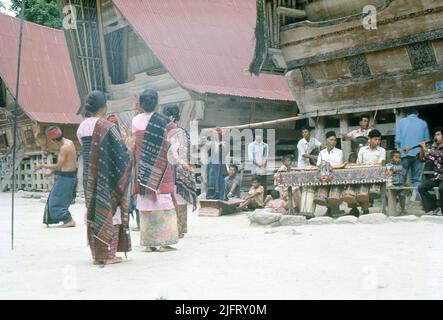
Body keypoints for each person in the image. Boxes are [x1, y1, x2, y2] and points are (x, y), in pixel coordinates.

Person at [77, 90, 132, 265]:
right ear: (105, 107)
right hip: (108, 176)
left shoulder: (82, 126)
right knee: (111, 212)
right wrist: (129, 148)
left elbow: (88, 150)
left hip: (89, 176)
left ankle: (96, 253)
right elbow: (121, 153)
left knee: (93, 209)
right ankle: (108, 254)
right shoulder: (108, 126)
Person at [132, 88, 179, 252]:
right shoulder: (166, 122)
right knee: (164, 204)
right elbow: (175, 146)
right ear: (157, 103)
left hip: (143, 169)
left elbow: (134, 144)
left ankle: (149, 244)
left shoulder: (135, 121)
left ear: (141, 104)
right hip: (162, 169)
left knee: (146, 204)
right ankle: (165, 242)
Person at [163, 105, 197, 239]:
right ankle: (180, 228)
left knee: (174, 197)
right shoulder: (184, 132)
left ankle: (175, 228)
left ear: (170, 117)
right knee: (179, 198)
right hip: (182, 168)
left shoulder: (167, 131)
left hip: (173, 168)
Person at [35, 126, 77, 228]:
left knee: (55, 201)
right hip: (69, 176)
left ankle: (69, 220)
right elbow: (64, 163)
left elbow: (58, 165)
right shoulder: (69, 142)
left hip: (66, 178)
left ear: (53, 139)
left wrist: (42, 165)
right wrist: (51, 171)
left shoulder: (63, 148)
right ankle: (67, 220)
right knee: (59, 199)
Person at [347, 129, 386, 216]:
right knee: (349, 184)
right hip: (362, 175)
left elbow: (380, 164)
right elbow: (359, 163)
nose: (378, 142)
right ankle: (354, 209)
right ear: (369, 139)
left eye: (379, 140)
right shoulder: (362, 150)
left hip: (376, 176)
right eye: (375, 139)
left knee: (365, 185)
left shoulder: (382, 150)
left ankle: (365, 209)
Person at [395, 108, 430, 200]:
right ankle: (417, 200)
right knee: (417, 179)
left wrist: (403, 146)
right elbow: (426, 141)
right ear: (417, 114)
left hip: (405, 154)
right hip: (419, 154)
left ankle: (402, 202)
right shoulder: (423, 123)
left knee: (401, 178)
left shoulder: (401, 122)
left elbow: (398, 140)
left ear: (407, 114)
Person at [417, 127, 443, 215]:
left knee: (442, 188)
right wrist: (421, 149)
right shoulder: (434, 149)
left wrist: (426, 149)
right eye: (435, 134)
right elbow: (423, 159)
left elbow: (439, 156)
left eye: (438, 134)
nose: (436, 136)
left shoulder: (436, 150)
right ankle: (435, 206)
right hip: (437, 177)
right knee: (421, 187)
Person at [205, 127, 229, 200]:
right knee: (211, 180)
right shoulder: (210, 143)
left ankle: (221, 196)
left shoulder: (224, 144)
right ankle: (210, 196)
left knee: (220, 180)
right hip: (212, 165)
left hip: (220, 164)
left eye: (216, 135)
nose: (215, 136)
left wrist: (221, 147)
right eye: (214, 135)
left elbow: (225, 153)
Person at [248, 129, 269, 195]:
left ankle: (263, 202)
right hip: (255, 169)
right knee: (255, 186)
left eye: (260, 135)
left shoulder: (265, 145)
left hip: (263, 169)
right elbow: (251, 158)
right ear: (255, 136)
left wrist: (263, 165)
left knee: (263, 186)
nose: (259, 136)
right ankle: (254, 202)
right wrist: (258, 165)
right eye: (257, 135)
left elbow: (266, 156)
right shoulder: (251, 145)